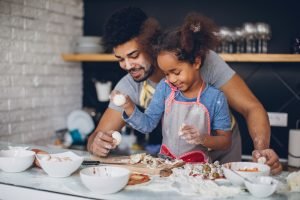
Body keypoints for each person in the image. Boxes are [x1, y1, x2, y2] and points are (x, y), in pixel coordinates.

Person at [87, 7, 282, 174]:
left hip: (223, 155)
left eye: (134, 55)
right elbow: (97, 135)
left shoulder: (202, 61)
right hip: (178, 160)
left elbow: (252, 108)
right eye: (120, 59)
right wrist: (97, 143)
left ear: (150, 45)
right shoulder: (129, 85)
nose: (127, 66)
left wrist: (262, 150)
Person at [115, 13, 233, 163]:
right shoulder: (165, 88)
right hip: (166, 162)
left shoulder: (215, 98)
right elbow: (147, 125)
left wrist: (202, 138)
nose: (171, 79)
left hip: (196, 167)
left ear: (196, 62)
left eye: (176, 72)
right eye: (166, 73)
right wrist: (129, 107)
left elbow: (225, 141)